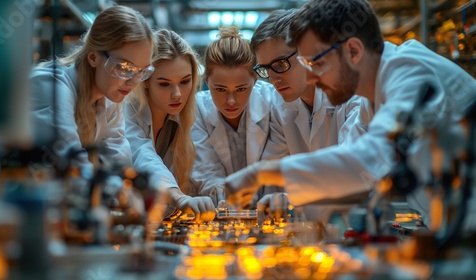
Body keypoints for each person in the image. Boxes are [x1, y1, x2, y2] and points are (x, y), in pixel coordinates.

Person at [225, 0, 476, 230]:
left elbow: (369, 157)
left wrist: (261, 172)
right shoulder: (372, 99)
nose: (311, 77)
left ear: (353, 51)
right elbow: (358, 170)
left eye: (316, 63)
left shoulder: (410, 71)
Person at [249, 9, 373, 221]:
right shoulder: (281, 105)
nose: (273, 79)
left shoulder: (352, 93)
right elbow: (273, 170)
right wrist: (271, 197)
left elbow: (348, 164)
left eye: (280, 64)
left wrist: (295, 197)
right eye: (265, 69)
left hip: (362, 219)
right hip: (318, 224)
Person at [29, 5, 154, 172]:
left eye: (142, 71)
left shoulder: (110, 98)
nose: (133, 82)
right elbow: (74, 165)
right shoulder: (51, 87)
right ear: (94, 57)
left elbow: (119, 164)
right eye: (125, 68)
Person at [125, 29, 215, 223]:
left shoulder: (183, 118)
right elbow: (143, 155)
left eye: (185, 82)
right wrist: (179, 197)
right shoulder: (127, 110)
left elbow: (205, 167)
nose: (177, 94)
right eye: (165, 84)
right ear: (146, 81)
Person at [191, 26, 279, 214]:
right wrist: (229, 200)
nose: (231, 101)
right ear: (206, 79)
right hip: (222, 211)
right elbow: (207, 170)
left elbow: (275, 163)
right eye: (220, 89)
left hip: (272, 210)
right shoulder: (197, 107)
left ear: (255, 79)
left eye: (241, 89)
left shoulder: (274, 101)